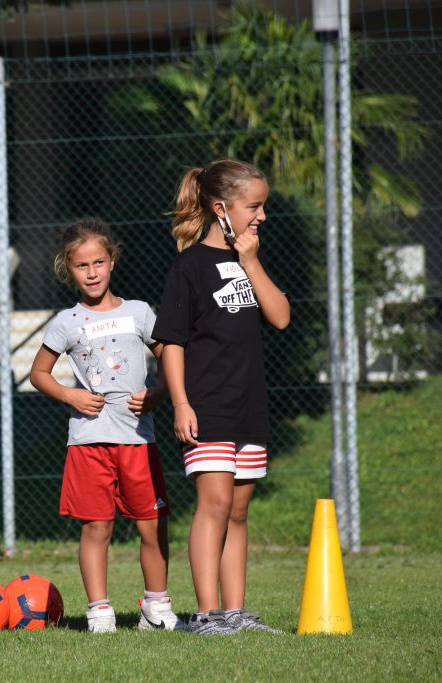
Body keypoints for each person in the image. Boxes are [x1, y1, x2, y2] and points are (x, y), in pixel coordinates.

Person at [152, 160, 290, 635]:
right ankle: (207, 616)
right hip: (207, 405)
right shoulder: (188, 266)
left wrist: (250, 262)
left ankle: (236, 613)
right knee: (213, 506)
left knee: (237, 510)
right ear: (220, 209)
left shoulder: (249, 259)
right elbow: (171, 342)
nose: (262, 216)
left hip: (249, 405)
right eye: (254, 206)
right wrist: (181, 403)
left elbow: (281, 317)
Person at [29, 217, 179, 633]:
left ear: (112, 260)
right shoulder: (65, 322)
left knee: (152, 526)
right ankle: (100, 612)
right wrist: (71, 395)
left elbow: (172, 360)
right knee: (97, 527)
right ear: (68, 268)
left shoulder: (139, 313)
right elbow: (39, 374)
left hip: (137, 441)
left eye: (98, 262)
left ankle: (156, 608)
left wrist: (159, 393)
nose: (92, 272)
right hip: (88, 442)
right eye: (82, 265)